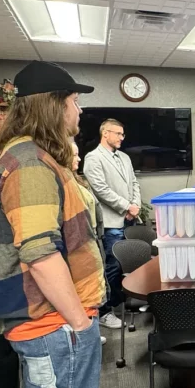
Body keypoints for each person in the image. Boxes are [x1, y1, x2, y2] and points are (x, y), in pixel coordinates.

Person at [0, 60, 103, 388]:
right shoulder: (29, 163)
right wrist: (80, 324)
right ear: (53, 105)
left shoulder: (37, 158)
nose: (79, 110)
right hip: (54, 326)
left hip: (54, 324)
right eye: (73, 101)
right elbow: (39, 254)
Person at [83, 119, 141, 330]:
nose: (121, 138)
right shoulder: (93, 158)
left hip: (129, 219)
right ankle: (106, 311)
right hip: (111, 223)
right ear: (105, 133)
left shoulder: (124, 157)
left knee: (127, 265)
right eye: (118, 133)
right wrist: (126, 206)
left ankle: (122, 305)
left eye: (122, 134)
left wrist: (135, 206)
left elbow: (134, 182)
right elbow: (101, 189)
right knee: (112, 267)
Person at [72, 141, 108, 348]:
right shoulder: (64, 184)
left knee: (96, 286)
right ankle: (85, 331)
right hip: (80, 244)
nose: (79, 158)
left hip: (93, 238)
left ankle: (91, 329)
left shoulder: (77, 180)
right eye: (74, 155)